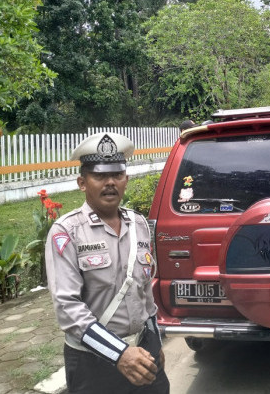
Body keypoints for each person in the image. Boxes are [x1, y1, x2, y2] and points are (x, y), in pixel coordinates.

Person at [45, 132, 170, 394]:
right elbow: (68, 309)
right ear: (82, 182)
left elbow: (145, 292)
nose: (110, 182)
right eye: (99, 175)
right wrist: (120, 354)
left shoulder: (138, 225)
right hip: (93, 363)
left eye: (117, 174)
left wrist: (155, 345)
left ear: (126, 179)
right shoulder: (67, 232)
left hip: (142, 354)